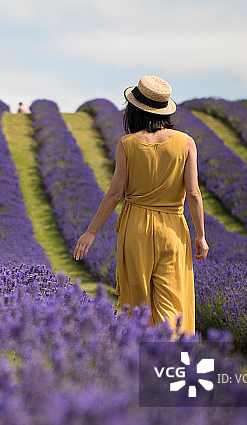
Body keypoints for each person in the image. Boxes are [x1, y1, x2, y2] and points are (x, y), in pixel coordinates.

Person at [73, 75, 208, 335]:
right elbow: (193, 193)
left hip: (136, 229)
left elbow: (115, 194)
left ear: (135, 110)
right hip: (173, 229)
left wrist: (90, 232)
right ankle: (172, 355)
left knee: (139, 305)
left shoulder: (128, 144)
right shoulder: (186, 142)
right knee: (173, 306)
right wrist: (200, 236)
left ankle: (144, 357)